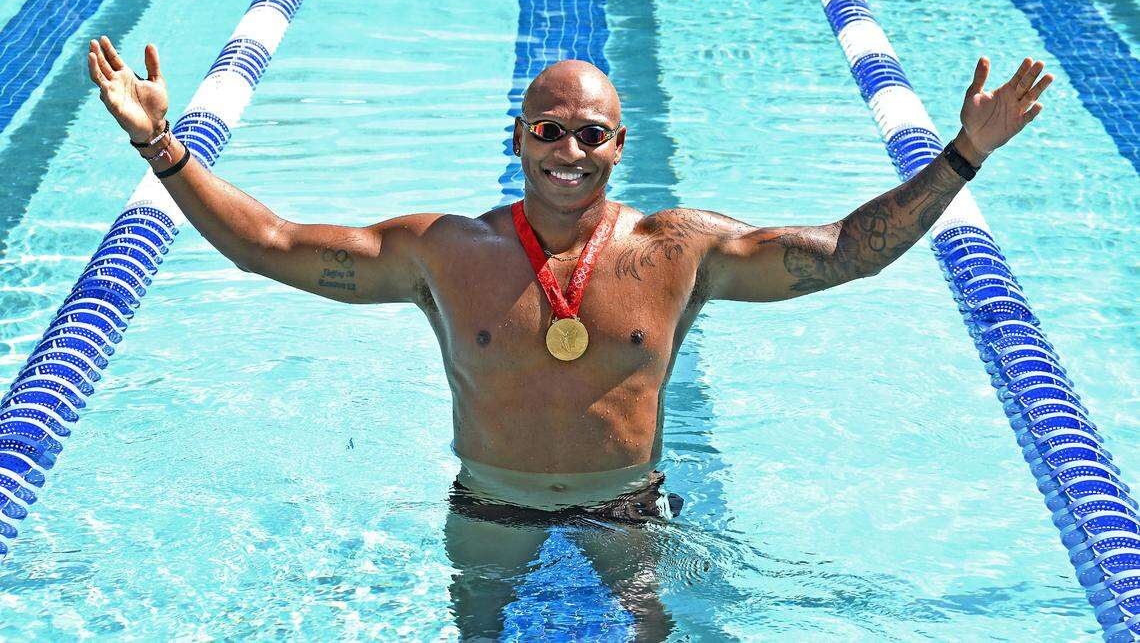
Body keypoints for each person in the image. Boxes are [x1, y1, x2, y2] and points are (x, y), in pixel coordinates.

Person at [88, 35, 1052, 639]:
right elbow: (273, 247)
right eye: (549, 131)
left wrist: (963, 154)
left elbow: (845, 252)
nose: (570, 152)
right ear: (516, 139)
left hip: (627, 510)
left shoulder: (679, 249)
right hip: (489, 506)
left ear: (621, 146)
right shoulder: (442, 252)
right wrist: (162, 147)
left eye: (592, 134)